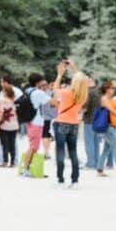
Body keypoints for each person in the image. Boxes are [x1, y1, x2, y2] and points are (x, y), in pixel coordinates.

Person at [52, 59, 88, 187]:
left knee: (60, 151)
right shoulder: (82, 96)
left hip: (61, 123)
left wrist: (60, 74)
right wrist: (74, 68)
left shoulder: (67, 93)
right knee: (73, 152)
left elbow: (55, 89)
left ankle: (60, 180)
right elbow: (82, 81)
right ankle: (75, 181)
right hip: (74, 124)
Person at [20, 77, 52, 177]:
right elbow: (52, 102)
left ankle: (29, 168)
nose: (44, 85)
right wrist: (50, 90)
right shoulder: (39, 93)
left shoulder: (28, 90)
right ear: (37, 83)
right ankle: (25, 169)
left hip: (30, 121)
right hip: (36, 122)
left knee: (33, 146)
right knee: (33, 147)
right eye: (43, 83)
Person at [0, 84, 19, 168]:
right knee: (12, 144)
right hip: (14, 125)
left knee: (4, 143)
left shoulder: (3, 101)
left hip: (5, 125)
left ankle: (5, 161)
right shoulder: (14, 101)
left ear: (5, 92)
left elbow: (1, 113)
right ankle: (13, 162)